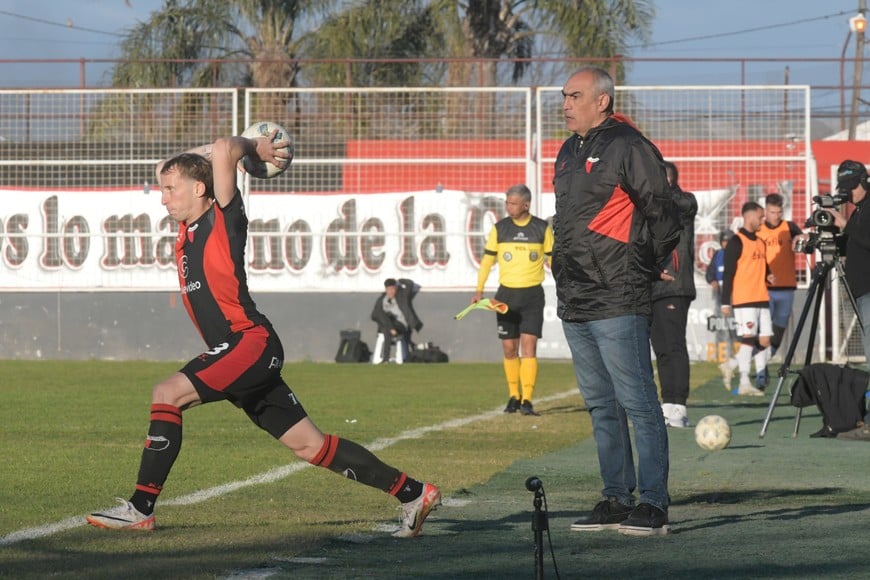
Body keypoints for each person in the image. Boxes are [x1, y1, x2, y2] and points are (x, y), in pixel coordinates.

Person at [86, 132, 440, 537]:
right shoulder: (188, 226)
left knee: (167, 393)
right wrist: (196, 163)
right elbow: (168, 165)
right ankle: (415, 493)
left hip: (248, 342)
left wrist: (255, 147)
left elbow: (224, 148)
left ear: (200, 189)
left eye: (170, 190)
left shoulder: (223, 218)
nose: (163, 198)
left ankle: (141, 508)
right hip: (238, 352)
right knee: (311, 445)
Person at [553, 66, 680, 537]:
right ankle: (615, 498)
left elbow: (663, 212)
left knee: (639, 402)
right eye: (564, 96)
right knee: (601, 405)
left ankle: (653, 503)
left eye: (575, 95)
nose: (565, 104)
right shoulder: (567, 151)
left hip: (618, 294)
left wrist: (644, 264)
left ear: (602, 101)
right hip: (575, 296)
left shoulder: (629, 145)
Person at [472, 184, 553, 416]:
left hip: (532, 296)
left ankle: (527, 399)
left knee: (529, 347)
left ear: (526, 205)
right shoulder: (500, 229)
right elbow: (487, 261)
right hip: (506, 296)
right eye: (507, 202)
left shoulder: (541, 228)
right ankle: (513, 396)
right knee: (509, 348)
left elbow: (552, 260)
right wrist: (479, 290)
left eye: (513, 203)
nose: (509, 207)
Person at [824, 160, 870, 432]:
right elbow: (855, 243)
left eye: (852, 187)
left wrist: (844, 224)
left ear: (864, 182)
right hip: (862, 292)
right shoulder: (859, 211)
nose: (849, 193)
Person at [651, 161, 698, 429]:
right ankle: (667, 403)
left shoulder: (684, 202)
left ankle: (679, 404)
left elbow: (682, 204)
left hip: (675, 285)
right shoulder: (652, 207)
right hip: (653, 286)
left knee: (674, 345)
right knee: (661, 348)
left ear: (669, 179)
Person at [719, 201, 772, 396]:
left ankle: (732, 364)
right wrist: (725, 302)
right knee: (748, 339)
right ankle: (744, 381)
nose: (762, 220)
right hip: (744, 300)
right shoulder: (736, 242)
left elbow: (764, 266)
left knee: (765, 341)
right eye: (760, 216)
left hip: (762, 297)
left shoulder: (760, 242)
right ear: (749, 217)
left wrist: (769, 275)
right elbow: (728, 274)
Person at [755, 193, 807, 389]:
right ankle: (761, 375)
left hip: (787, 287)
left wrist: (802, 239)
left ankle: (763, 361)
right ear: (765, 211)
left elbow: (804, 243)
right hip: (765, 289)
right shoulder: (759, 230)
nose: (775, 216)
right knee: (764, 331)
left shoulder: (789, 227)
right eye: (772, 212)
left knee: (778, 333)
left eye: (778, 212)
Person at [371, 278, 423, 364]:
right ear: (386, 290)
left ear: (396, 288)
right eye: (389, 289)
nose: (391, 292)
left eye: (393, 289)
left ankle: (386, 359)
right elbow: (374, 315)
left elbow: (410, 284)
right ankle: (386, 358)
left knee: (386, 327)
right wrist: (390, 325)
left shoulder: (403, 295)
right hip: (388, 324)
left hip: (400, 324)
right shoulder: (382, 299)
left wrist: (399, 281)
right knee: (380, 314)